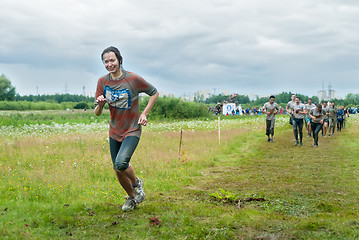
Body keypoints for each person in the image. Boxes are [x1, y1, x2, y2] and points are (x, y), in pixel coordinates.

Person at [94, 46, 159, 211]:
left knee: (121, 163)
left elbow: (154, 92)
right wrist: (100, 105)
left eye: (112, 60)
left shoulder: (133, 79)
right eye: (106, 61)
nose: (110, 64)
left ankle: (137, 184)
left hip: (132, 128)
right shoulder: (102, 82)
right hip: (114, 130)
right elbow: (97, 113)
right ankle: (132, 198)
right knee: (117, 169)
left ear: (119, 60)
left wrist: (144, 113)